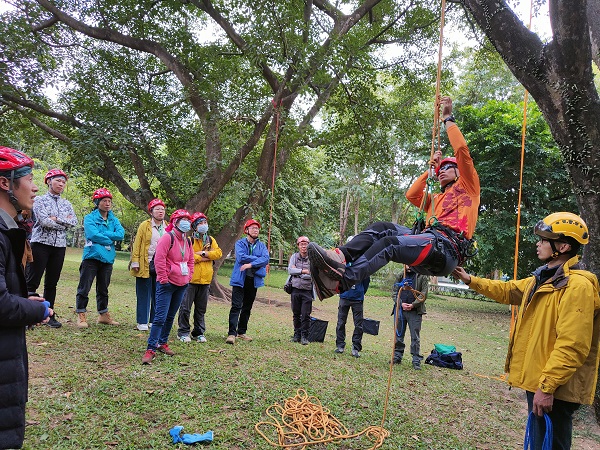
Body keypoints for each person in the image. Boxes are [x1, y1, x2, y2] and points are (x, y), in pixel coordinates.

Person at [308, 96, 480, 300]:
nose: (442, 171)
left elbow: (461, 151)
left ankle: (340, 283)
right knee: (383, 228)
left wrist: (448, 118)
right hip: (431, 243)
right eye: (440, 169)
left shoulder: (468, 188)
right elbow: (412, 195)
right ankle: (341, 256)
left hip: (445, 249)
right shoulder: (435, 200)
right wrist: (429, 171)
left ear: (459, 171)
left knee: (389, 243)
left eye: (448, 167)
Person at [453, 212, 600, 450]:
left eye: (544, 240)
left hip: (555, 389)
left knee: (551, 444)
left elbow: (572, 345)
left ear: (562, 246)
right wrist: (470, 279)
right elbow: (508, 290)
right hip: (541, 382)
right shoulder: (543, 278)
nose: (538, 244)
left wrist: (547, 387)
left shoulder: (577, 286)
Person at [0, 146, 53, 449]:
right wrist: (37, 311)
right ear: (5, 183)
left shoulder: (9, 229)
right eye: (30, 179)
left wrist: (25, 300)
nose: (35, 188)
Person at [26, 169, 78, 329]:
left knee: (52, 283)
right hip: (40, 244)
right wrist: (63, 222)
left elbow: (74, 222)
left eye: (63, 182)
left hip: (59, 246)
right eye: (58, 181)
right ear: (49, 181)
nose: (61, 184)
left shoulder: (66, 204)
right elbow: (44, 221)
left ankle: (49, 315)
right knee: (32, 281)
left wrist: (56, 219)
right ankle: (27, 315)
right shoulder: (39, 200)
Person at [142, 210, 195, 364]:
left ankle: (162, 342)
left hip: (182, 284)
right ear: (175, 222)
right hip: (167, 284)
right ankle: (151, 348)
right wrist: (163, 278)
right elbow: (159, 259)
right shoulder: (167, 237)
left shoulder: (188, 241)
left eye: (188, 220)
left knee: (171, 316)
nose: (186, 222)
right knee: (160, 317)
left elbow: (191, 260)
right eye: (182, 219)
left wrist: (189, 276)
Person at [75, 188, 125, 328]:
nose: (107, 203)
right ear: (97, 202)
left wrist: (103, 235)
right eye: (104, 201)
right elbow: (92, 235)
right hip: (92, 257)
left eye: (109, 201)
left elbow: (120, 234)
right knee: (84, 287)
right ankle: (81, 313)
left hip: (108, 258)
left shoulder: (114, 219)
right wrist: (110, 238)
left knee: (103, 288)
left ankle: (103, 314)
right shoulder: (89, 218)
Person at [177, 212, 222, 343]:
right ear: (195, 226)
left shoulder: (210, 240)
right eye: (200, 223)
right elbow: (188, 255)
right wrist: (206, 256)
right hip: (190, 279)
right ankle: (183, 332)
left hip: (206, 280)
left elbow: (218, 253)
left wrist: (202, 253)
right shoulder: (189, 240)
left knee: (201, 309)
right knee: (185, 307)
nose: (203, 225)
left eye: (205, 222)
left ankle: (198, 332)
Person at [226, 218, 269, 345]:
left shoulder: (261, 245)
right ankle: (231, 334)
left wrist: (250, 264)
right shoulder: (240, 243)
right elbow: (241, 257)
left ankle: (241, 331)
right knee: (236, 306)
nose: (256, 230)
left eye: (257, 228)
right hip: (240, 279)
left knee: (247, 307)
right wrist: (257, 259)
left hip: (253, 280)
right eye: (253, 228)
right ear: (247, 230)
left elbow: (266, 259)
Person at [129, 198, 167, 331]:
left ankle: (153, 320)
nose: (160, 211)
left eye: (162, 209)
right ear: (151, 211)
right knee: (144, 293)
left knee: (159, 294)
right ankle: (142, 321)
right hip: (146, 263)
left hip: (161, 265)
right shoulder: (144, 225)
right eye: (157, 209)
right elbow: (137, 244)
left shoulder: (168, 226)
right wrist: (135, 261)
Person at [391, 266, 429, 369]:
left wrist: (413, 305)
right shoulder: (401, 274)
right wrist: (400, 303)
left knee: (415, 337)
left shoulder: (422, 276)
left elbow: (424, 294)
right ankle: (397, 357)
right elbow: (394, 292)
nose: (408, 266)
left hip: (415, 311)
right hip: (400, 310)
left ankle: (416, 360)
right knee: (398, 335)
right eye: (406, 264)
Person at [334, 264, 369, 358]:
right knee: (341, 322)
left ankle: (356, 348)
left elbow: (366, 281)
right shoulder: (344, 264)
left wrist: (360, 291)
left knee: (358, 325)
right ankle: (340, 345)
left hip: (357, 299)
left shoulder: (362, 265)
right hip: (344, 297)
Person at [287, 236, 314, 345]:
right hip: (295, 289)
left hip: (307, 290)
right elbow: (290, 270)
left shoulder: (312, 258)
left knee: (306, 315)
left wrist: (297, 272)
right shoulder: (294, 256)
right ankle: (296, 335)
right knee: (296, 313)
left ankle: (304, 336)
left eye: (305, 244)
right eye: (301, 244)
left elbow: (313, 274)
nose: (303, 246)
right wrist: (303, 271)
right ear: (298, 246)